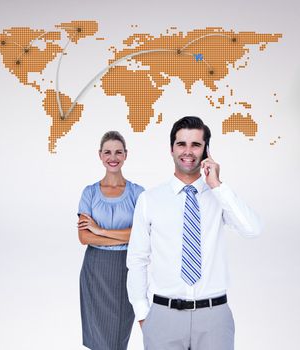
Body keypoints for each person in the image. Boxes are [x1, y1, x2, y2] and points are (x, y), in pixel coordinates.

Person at [126, 116, 261, 350]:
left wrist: (218, 186)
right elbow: (137, 259)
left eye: (196, 145)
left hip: (214, 317)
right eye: (181, 144)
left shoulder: (219, 196)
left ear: (206, 150)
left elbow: (252, 229)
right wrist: (143, 315)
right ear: (171, 149)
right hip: (163, 316)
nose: (188, 152)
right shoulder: (149, 199)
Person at [77, 131, 144, 350]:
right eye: (107, 152)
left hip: (126, 267)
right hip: (95, 269)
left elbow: (142, 235)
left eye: (118, 152)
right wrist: (125, 235)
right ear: (100, 155)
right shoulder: (89, 193)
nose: (112, 157)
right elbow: (84, 237)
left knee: (116, 339)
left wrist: (101, 231)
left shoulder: (138, 193)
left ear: (126, 155)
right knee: (98, 340)